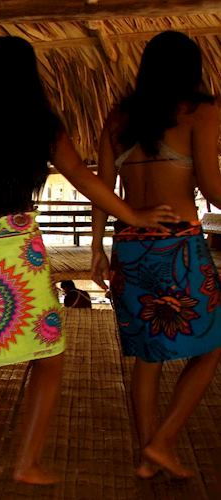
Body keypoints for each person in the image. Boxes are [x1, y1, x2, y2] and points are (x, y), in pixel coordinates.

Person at [0, 35, 178, 486]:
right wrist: (133, 214)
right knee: (49, 357)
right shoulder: (41, 122)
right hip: (21, 244)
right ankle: (26, 462)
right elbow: (85, 179)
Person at [92, 30, 221, 479]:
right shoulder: (200, 113)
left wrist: (96, 247)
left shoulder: (118, 117)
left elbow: (102, 192)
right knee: (211, 348)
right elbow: (213, 190)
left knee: (149, 356)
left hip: (129, 246)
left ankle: (147, 455)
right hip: (178, 246)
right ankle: (163, 443)